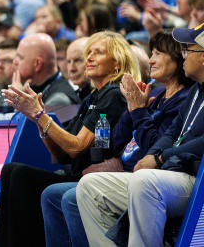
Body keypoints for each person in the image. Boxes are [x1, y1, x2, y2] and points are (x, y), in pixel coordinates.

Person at [42, 30, 190, 247]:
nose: (151, 60)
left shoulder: (183, 99)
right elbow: (115, 142)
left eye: (158, 54)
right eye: (152, 53)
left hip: (149, 178)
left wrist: (138, 111)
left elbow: (155, 148)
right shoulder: (156, 97)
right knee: (51, 193)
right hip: (127, 172)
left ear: (178, 59)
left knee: (69, 196)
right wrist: (132, 109)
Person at [0, 31, 138, 247]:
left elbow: (76, 147)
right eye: (88, 52)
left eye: (97, 53)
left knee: (24, 178)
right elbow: (60, 154)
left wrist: (40, 116)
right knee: (12, 171)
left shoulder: (114, 95)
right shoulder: (93, 96)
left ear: (117, 64)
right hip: (77, 173)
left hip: (94, 180)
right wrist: (36, 118)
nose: (88, 58)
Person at [77, 25, 204, 246]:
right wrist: (153, 153)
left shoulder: (183, 94)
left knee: (144, 182)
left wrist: (158, 157)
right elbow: (172, 132)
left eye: (188, 50)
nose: (184, 55)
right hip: (164, 171)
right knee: (89, 186)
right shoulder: (194, 91)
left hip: (193, 176)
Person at [13, 33, 79, 107]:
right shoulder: (32, 86)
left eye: (20, 58)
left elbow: (36, 118)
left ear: (37, 64)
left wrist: (17, 101)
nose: (15, 62)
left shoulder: (60, 100)